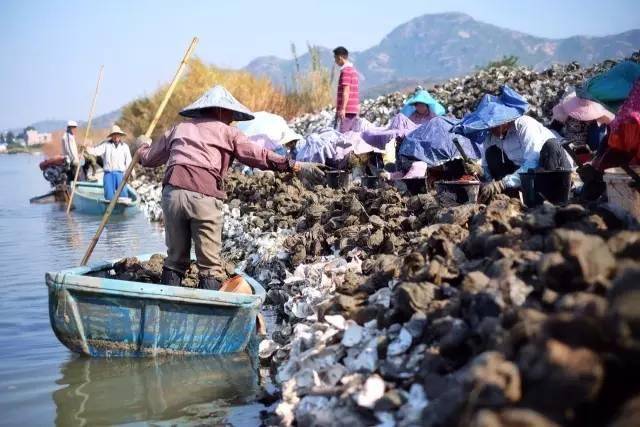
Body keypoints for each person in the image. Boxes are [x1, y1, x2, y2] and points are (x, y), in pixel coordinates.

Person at [136, 85, 325, 290]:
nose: (232, 119)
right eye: (231, 115)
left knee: (174, 260)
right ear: (220, 111)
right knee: (209, 266)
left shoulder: (178, 129)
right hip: (204, 196)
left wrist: (142, 145)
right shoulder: (229, 133)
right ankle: (210, 315)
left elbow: (148, 159)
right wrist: (294, 166)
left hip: (172, 195)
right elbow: (258, 156)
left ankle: (166, 305)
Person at [86, 125, 132, 200]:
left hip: (120, 174)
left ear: (120, 135)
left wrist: (131, 172)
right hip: (108, 174)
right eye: (114, 134)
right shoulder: (106, 145)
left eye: (118, 134)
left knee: (123, 194)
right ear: (112, 136)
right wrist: (87, 149)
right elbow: (96, 151)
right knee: (109, 196)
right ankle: (109, 208)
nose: (116, 136)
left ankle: (122, 208)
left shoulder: (125, 147)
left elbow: (129, 161)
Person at [333, 46, 360, 133]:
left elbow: (346, 91)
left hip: (347, 110)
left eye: (335, 58)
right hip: (353, 109)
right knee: (351, 135)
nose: (335, 61)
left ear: (340, 57)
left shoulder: (346, 71)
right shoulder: (353, 70)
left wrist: (343, 109)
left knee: (343, 136)